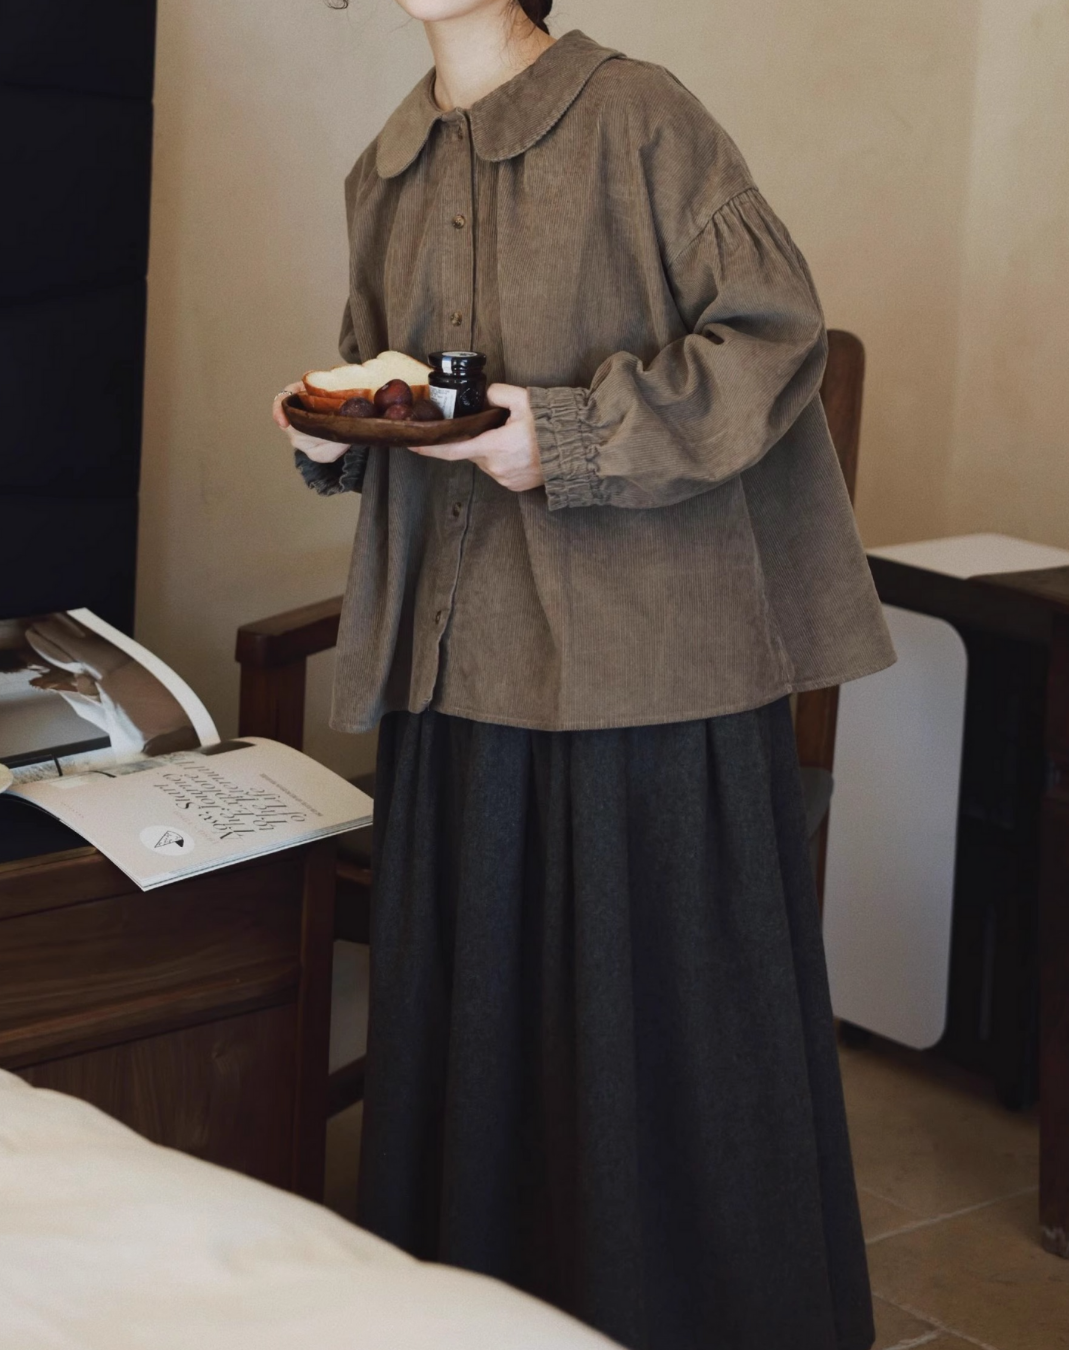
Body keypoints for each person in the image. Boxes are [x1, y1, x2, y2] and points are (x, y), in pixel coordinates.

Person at [273, 4, 894, 1347]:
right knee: (480, 1049)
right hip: (457, 670)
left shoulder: (640, 117)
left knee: (655, 1053)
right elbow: (402, 393)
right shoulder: (386, 166)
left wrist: (561, 436)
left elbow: (776, 336)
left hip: (650, 676)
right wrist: (330, 431)